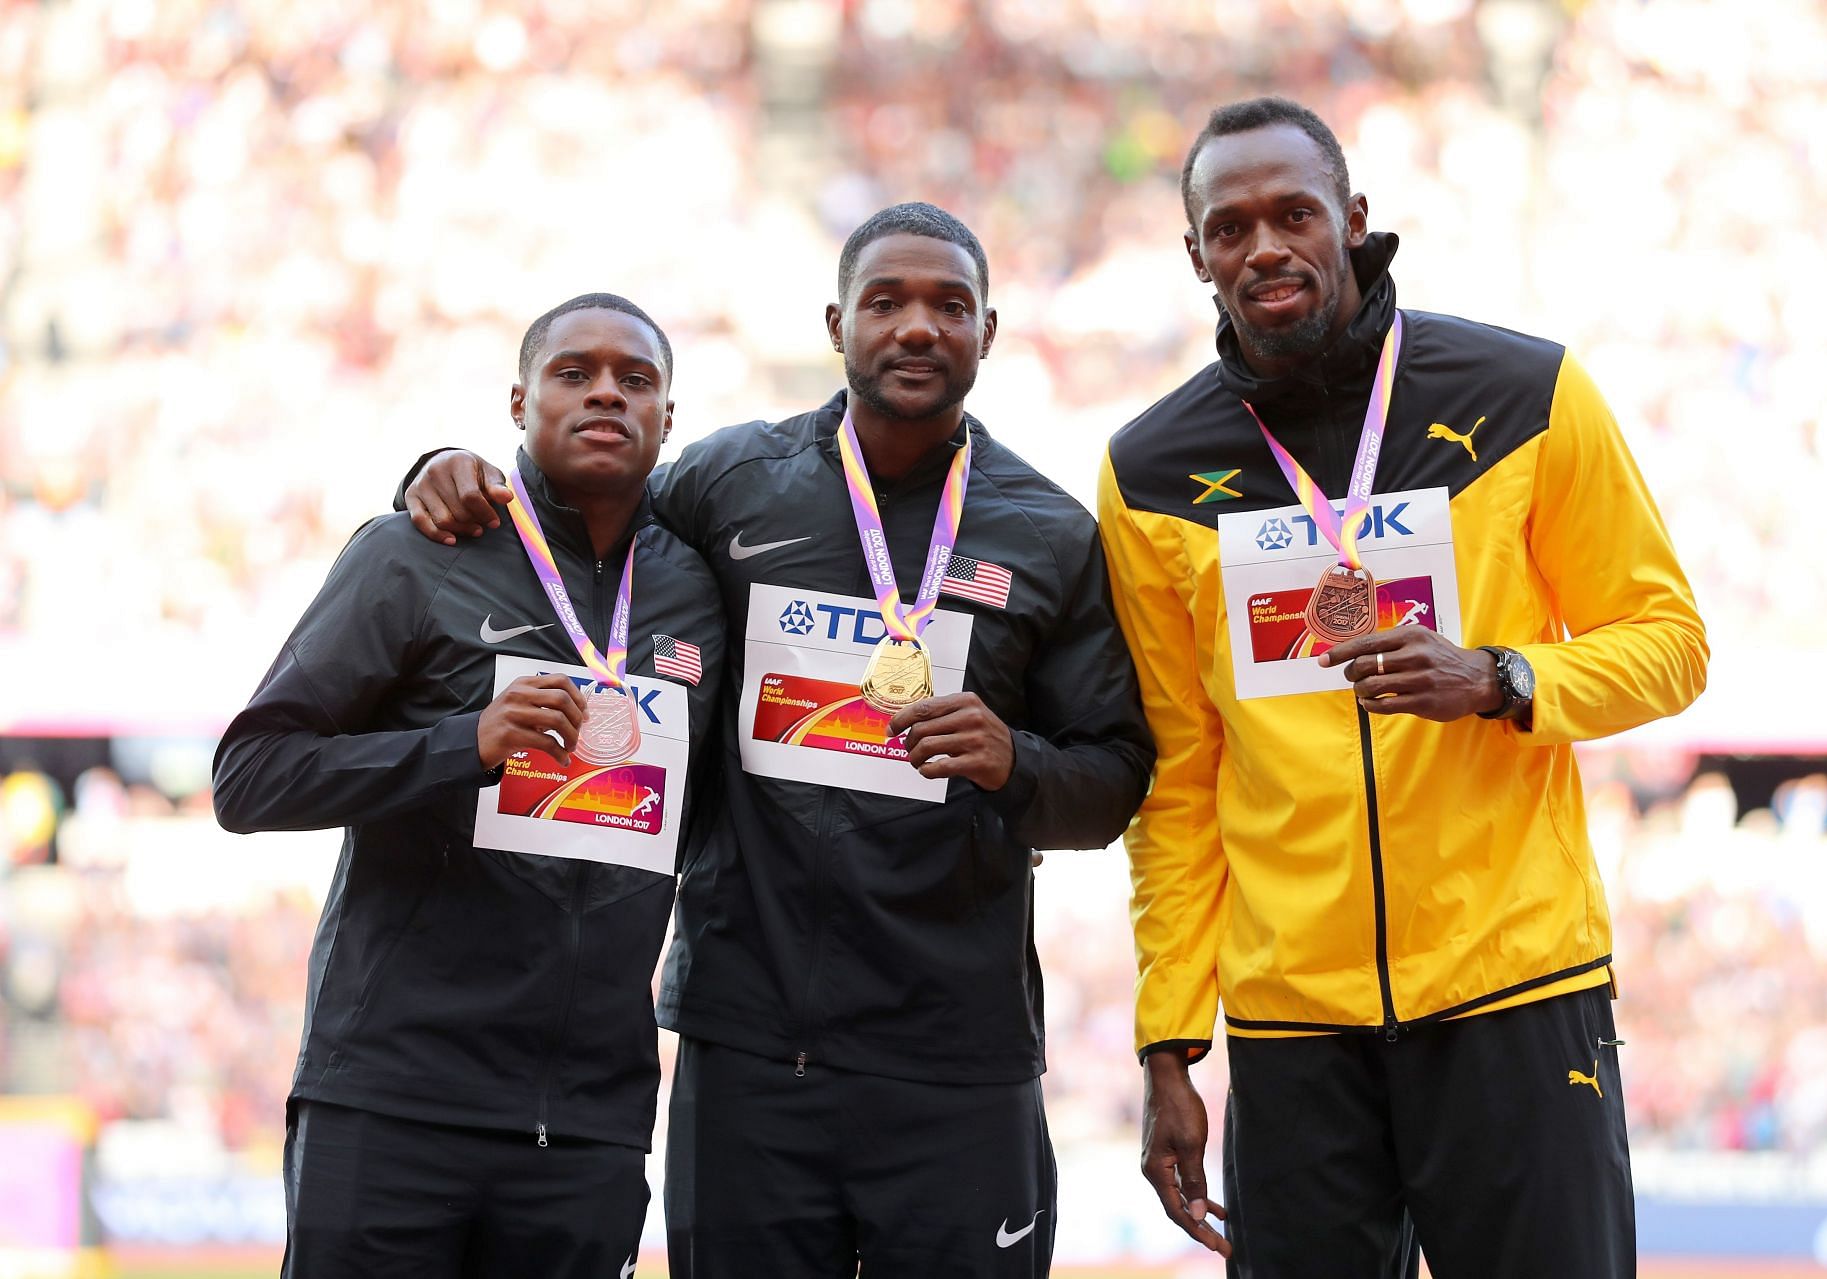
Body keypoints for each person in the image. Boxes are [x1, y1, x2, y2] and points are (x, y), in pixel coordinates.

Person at [401, 203, 1156, 1278]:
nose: (916, 327)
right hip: (749, 1046)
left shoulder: (1047, 530)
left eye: (949, 306)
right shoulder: (728, 481)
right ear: (837, 321)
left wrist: (1015, 761)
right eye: (886, 302)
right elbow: (577, 529)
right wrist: (436, 465)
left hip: (956, 1059)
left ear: (988, 333)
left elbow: (1115, 778)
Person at [1097, 97, 1710, 1278]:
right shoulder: (1150, 473)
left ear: (1354, 221)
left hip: (1516, 992)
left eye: (1293, 213)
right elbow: (1180, 779)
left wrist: (1502, 676)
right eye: (1229, 228)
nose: (1264, 246)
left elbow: (1668, 641)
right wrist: (1169, 1039)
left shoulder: (1528, 392)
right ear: (1196, 257)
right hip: (1291, 1029)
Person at [213, 293, 726, 1277]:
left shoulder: (700, 586)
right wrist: (462, 745)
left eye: (637, 379)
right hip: (394, 1102)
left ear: (671, 418)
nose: (606, 394)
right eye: (573, 373)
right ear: (518, 401)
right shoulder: (415, 551)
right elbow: (250, 777)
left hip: (587, 1128)